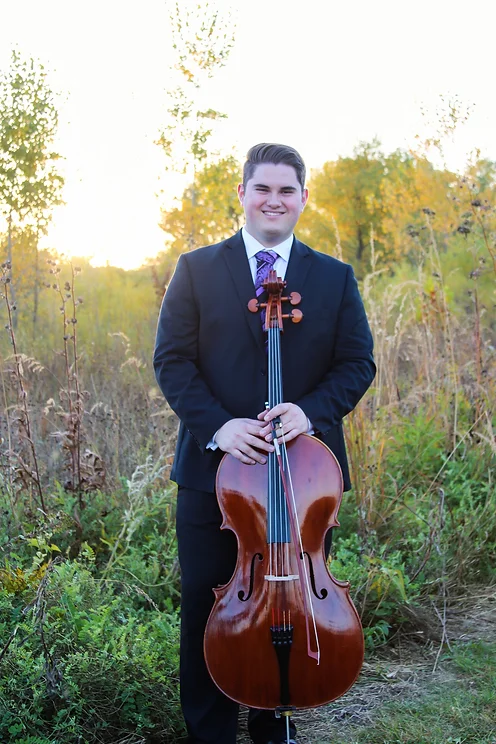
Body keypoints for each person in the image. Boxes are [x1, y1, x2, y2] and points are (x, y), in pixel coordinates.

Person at [153, 143, 376, 744]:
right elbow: (171, 362)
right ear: (243, 195)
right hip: (214, 482)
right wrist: (219, 428)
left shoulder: (333, 278)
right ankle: (210, 734)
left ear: (304, 198)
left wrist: (310, 413)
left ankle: (276, 725)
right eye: (263, 189)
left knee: (289, 602)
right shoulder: (196, 269)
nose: (274, 201)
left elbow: (358, 364)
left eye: (286, 190)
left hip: (302, 482)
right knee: (208, 608)